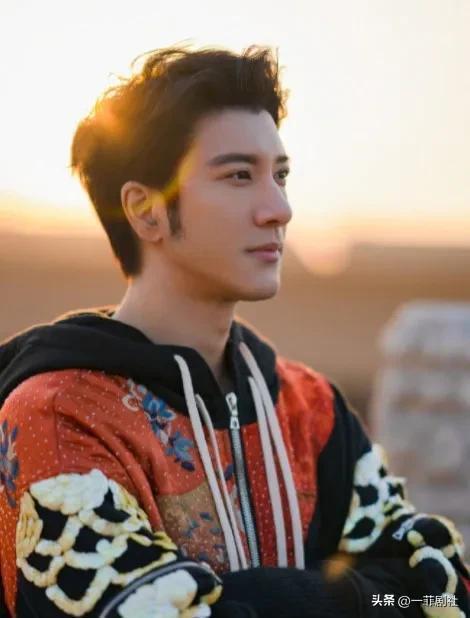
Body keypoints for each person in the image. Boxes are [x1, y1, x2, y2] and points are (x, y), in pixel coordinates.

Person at [0, 45, 468, 618]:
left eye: (281, 175)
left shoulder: (309, 410)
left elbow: (436, 594)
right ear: (145, 210)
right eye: (239, 175)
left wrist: (270, 598)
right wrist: (350, 597)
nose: (279, 209)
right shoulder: (59, 415)